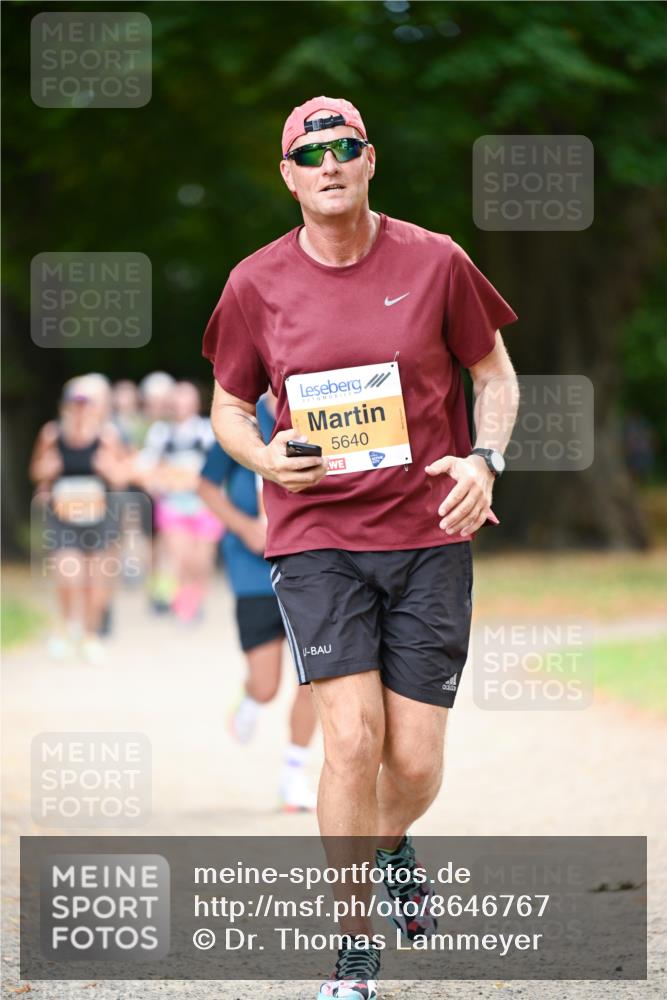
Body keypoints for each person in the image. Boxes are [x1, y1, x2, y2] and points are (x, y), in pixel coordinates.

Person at [202, 96, 520, 1000]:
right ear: (289, 176)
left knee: (412, 760)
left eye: (345, 147)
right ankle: (351, 945)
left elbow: (492, 373)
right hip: (316, 539)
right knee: (349, 741)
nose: (330, 162)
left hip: (426, 535)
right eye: (312, 152)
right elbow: (229, 403)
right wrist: (265, 454)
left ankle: (391, 844)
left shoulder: (435, 261)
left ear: (369, 159)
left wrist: (485, 460)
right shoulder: (254, 284)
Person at [197, 389, 318, 811]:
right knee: (267, 686)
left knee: (316, 679)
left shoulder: (315, 413)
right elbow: (206, 486)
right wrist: (245, 526)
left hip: (312, 565)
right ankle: (250, 698)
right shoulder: (239, 424)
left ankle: (293, 774)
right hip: (253, 570)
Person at [29, 375, 129, 664]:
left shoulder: (107, 437)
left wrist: (109, 469)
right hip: (64, 516)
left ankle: (90, 635)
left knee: (95, 581)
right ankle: (68, 626)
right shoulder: (52, 434)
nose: (81, 408)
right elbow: (35, 471)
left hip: (100, 516)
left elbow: (123, 476)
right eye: (76, 402)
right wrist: (46, 471)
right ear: (66, 404)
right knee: (68, 575)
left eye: (87, 403)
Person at [140, 381, 223, 622]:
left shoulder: (207, 430)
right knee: (181, 557)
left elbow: (218, 467)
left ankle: (195, 598)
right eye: (177, 401)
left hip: (204, 505)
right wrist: (162, 482)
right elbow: (147, 468)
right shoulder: (161, 433)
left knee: (201, 561)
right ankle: (184, 604)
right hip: (174, 504)